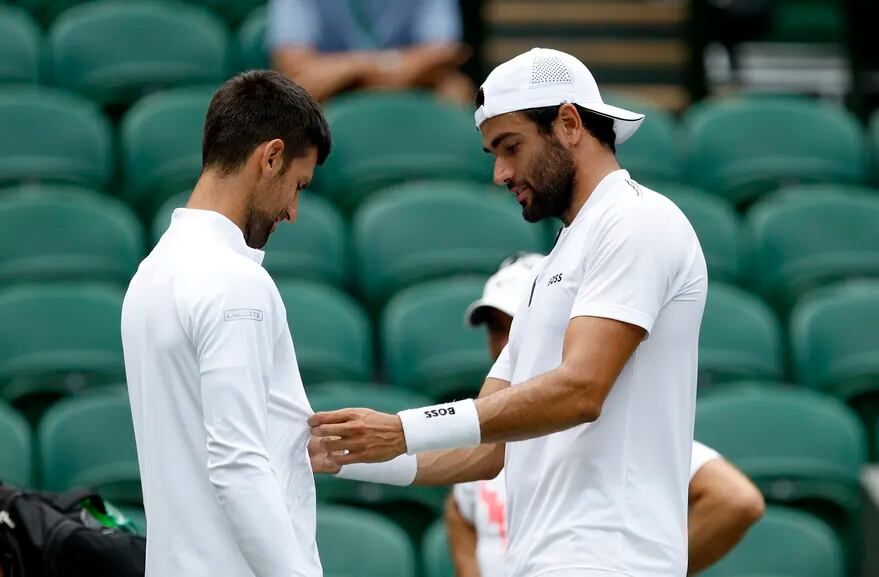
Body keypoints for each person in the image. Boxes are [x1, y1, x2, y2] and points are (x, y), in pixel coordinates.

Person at [309, 47, 708, 577]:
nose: (500, 173)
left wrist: (403, 428)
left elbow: (582, 389)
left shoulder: (637, 220)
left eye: (510, 147)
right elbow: (487, 449)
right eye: (493, 152)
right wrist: (344, 453)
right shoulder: (556, 262)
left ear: (569, 123)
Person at [121, 70, 331, 577]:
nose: (293, 211)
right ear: (271, 157)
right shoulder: (235, 281)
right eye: (297, 186)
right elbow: (238, 465)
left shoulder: (148, 275)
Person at [447, 253, 765, 577]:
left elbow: (736, 500)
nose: (505, 346)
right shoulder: (480, 451)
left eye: (518, 329)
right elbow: (461, 511)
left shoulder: (615, 428)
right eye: (496, 330)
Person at [268, 0, 473, 103]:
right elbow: (293, 65)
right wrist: (389, 66)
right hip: (332, 92)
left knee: (456, 88)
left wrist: (353, 69)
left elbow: (444, 55)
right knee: (298, 90)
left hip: (414, 83)